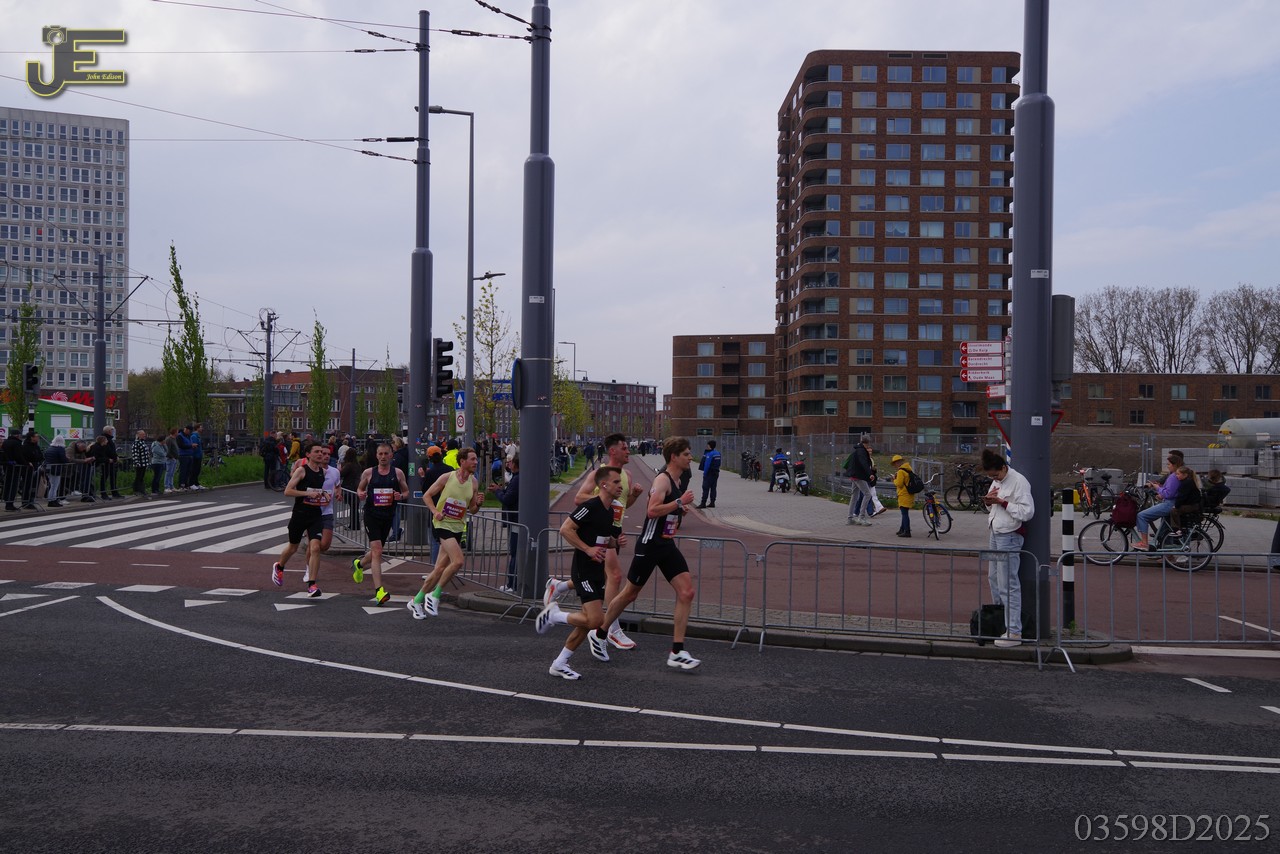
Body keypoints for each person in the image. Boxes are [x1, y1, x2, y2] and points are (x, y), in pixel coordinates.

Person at [592, 437, 702, 670]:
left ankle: (677, 651)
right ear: (674, 456)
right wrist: (679, 502)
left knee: (687, 592)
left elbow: (667, 509)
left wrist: (679, 509)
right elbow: (652, 511)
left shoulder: (677, 480)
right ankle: (600, 633)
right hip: (650, 545)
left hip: (666, 545)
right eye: (686, 454)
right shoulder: (662, 479)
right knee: (630, 594)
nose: (690, 457)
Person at [550, 433, 644, 651]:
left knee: (601, 576)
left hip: (613, 531)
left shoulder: (628, 475)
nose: (628, 451)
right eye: (624, 448)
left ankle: (560, 586)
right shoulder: (598, 474)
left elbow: (623, 504)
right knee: (615, 576)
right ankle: (611, 629)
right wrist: (602, 499)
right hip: (598, 532)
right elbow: (579, 498)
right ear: (613, 451)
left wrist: (635, 496)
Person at [536, 466, 627, 680]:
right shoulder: (590, 506)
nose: (620, 486)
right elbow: (565, 529)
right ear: (603, 485)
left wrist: (615, 543)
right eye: (616, 482)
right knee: (595, 621)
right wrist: (587, 549)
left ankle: (560, 663)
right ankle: (554, 616)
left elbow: (602, 540)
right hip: (583, 570)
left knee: (585, 623)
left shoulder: (609, 511)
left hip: (597, 571)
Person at [408, 447, 483, 619]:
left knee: (440, 568)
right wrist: (435, 512)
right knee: (458, 561)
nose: (476, 462)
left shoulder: (473, 482)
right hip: (442, 525)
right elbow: (427, 495)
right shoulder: (447, 477)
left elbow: (472, 509)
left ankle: (416, 600)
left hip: (458, 527)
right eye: (472, 459)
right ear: (462, 461)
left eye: (476, 459)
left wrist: (478, 504)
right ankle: (434, 595)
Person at [981, 449, 1034, 648]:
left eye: (996, 475)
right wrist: (989, 501)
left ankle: (1014, 631)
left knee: (1007, 583)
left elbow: (1027, 512)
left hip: (1009, 535)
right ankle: (1000, 620)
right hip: (996, 532)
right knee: (994, 578)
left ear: (1004, 468)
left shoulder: (1019, 482)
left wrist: (1002, 502)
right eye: (991, 477)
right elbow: (994, 505)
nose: (994, 479)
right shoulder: (998, 481)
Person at [352, 442, 410, 606]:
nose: (383, 457)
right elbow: (359, 489)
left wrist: (400, 496)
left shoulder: (397, 473)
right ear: (376, 456)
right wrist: (361, 494)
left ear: (391, 455)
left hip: (388, 516)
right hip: (371, 515)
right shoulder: (369, 472)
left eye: (386, 454)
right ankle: (379, 591)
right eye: (380, 454)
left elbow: (406, 491)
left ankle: (359, 564)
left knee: (376, 551)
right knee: (377, 551)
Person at [271, 442, 331, 597]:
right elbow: (288, 491)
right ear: (308, 454)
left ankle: (312, 585)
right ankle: (279, 566)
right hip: (300, 514)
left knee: (315, 548)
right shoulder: (301, 471)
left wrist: (324, 493)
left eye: (322, 452)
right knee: (293, 547)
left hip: (315, 515)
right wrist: (307, 494)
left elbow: (317, 488)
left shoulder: (323, 472)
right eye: (316, 452)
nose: (320, 454)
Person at [1134, 464, 1194, 550]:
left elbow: (1169, 494)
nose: (1167, 465)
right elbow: (1170, 491)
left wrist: (1158, 488)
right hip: (1170, 503)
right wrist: (1161, 492)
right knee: (1165, 528)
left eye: (1169, 464)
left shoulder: (1173, 477)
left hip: (1169, 504)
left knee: (1142, 516)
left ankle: (1144, 543)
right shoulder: (1175, 476)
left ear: (1174, 464)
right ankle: (1168, 554)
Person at [417, 445, 453, 564]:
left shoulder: (430, 473)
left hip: (435, 507)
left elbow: (425, 491)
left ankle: (435, 566)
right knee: (449, 538)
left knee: (435, 539)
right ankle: (448, 565)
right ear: (441, 455)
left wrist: (422, 477)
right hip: (449, 506)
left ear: (429, 458)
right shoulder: (450, 470)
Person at [493, 455, 521, 594]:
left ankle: (512, 584)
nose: (508, 464)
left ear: (515, 464)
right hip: (518, 520)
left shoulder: (517, 479)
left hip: (516, 521)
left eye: (510, 462)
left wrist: (497, 492)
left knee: (515, 552)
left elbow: (508, 499)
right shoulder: (519, 478)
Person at [845, 436, 875, 526]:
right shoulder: (862, 451)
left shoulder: (857, 450)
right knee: (868, 494)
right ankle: (861, 517)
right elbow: (864, 463)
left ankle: (850, 518)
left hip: (853, 475)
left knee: (854, 496)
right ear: (868, 443)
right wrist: (870, 473)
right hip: (859, 476)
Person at [890, 454, 914, 537]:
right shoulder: (908, 469)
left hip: (903, 494)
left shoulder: (901, 471)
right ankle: (902, 529)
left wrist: (894, 479)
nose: (894, 465)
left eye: (895, 463)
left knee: (904, 514)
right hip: (909, 494)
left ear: (897, 462)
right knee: (905, 512)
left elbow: (899, 484)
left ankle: (907, 531)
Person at [43, 435, 69, 507]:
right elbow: (63, 459)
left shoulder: (50, 448)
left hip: (48, 468)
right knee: (54, 486)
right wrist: (67, 459)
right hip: (56, 469)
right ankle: (52, 500)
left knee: (52, 485)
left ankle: (52, 500)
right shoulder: (60, 449)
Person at [696, 439, 721, 509]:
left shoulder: (710, 454)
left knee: (705, 488)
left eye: (707, 445)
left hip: (709, 473)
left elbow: (707, 464)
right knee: (713, 488)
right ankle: (712, 502)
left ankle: (703, 503)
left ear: (709, 446)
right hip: (716, 472)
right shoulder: (718, 453)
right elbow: (719, 463)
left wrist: (705, 473)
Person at [101, 426, 122, 499]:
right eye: (111, 430)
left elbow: (112, 450)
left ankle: (114, 492)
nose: (113, 432)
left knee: (113, 476)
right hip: (107, 461)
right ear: (109, 431)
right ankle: (104, 493)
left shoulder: (109, 439)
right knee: (105, 477)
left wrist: (115, 457)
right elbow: (109, 451)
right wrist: (114, 457)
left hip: (111, 461)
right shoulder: (105, 439)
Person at [131, 430, 151, 497]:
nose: (144, 435)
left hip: (144, 463)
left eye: (144, 434)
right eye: (142, 434)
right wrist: (137, 462)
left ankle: (141, 490)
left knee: (141, 477)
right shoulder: (136, 443)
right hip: (139, 463)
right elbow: (135, 453)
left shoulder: (142, 442)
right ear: (138, 435)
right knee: (138, 476)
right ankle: (136, 490)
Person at [175, 425, 194, 490]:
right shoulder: (180, 436)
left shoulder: (188, 436)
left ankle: (186, 484)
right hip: (183, 455)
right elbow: (181, 445)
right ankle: (181, 484)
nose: (190, 432)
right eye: (189, 431)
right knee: (183, 471)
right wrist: (191, 446)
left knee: (188, 471)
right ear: (186, 429)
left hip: (190, 455)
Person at [189, 423, 206, 490]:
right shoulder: (194, 436)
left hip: (199, 455)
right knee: (194, 470)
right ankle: (191, 484)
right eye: (201, 427)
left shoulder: (198, 436)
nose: (202, 428)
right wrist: (196, 454)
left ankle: (196, 483)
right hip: (195, 456)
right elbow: (194, 446)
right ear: (197, 428)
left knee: (197, 470)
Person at [163, 427, 180, 493]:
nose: (178, 433)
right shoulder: (169, 439)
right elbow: (167, 449)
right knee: (168, 473)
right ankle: (166, 487)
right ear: (174, 432)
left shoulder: (174, 439)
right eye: (177, 432)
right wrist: (171, 457)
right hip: (170, 459)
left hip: (175, 458)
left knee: (172, 473)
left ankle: (171, 486)